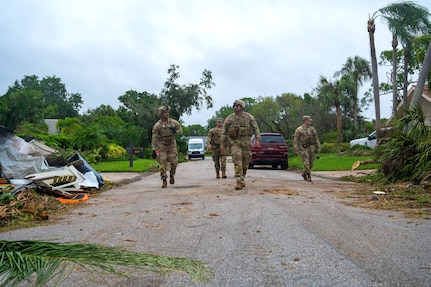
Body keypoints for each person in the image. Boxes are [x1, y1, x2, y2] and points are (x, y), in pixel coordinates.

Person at [222, 99, 261, 190]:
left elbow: (256, 129)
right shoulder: (229, 118)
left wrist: (258, 140)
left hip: (246, 142)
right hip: (234, 142)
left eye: (237, 106)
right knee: (237, 160)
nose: (235, 107)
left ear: (242, 107)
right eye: (234, 106)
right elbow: (224, 132)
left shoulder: (249, 117)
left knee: (245, 162)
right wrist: (222, 144)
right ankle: (239, 181)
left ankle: (242, 177)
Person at [151, 105, 183, 188]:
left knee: (174, 163)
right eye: (164, 113)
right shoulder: (157, 125)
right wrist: (154, 149)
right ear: (161, 114)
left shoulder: (173, 123)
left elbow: (180, 131)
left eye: (167, 112)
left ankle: (172, 175)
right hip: (162, 146)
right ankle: (164, 179)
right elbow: (154, 137)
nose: (166, 114)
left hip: (172, 145)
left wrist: (175, 130)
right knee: (162, 165)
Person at [293, 115, 321, 182]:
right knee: (306, 163)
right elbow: (296, 140)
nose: (310, 122)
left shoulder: (312, 129)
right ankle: (308, 176)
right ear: (305, 121)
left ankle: (304, 173)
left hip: (311, 148)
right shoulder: (299, 130)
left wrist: (318, 147)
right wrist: (296, 149)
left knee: (311, 163)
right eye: (309, 120)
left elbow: (316, 138)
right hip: (303, 148)